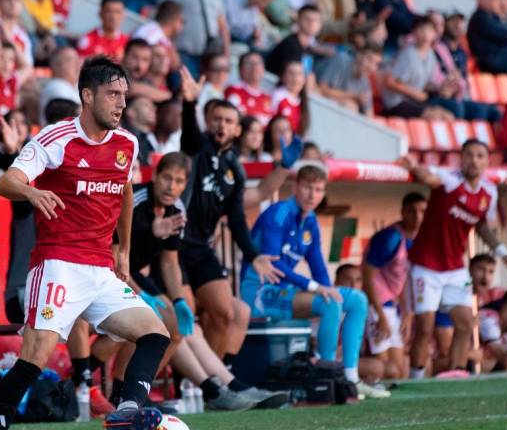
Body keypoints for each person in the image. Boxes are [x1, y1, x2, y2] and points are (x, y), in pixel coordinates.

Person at [0, 56, 171, 430]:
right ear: (87, 95)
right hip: (58, 263)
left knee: (156, 332)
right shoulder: (56, 139)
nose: (120, 104)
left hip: (99, 267)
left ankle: (129, 405)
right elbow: (6, 181)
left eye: (125, 96)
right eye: (113, 94)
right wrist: (33, 193)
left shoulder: (127, 144)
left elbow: (125, 192)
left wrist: (123, 249)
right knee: (35, 355)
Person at [125, 152, 263, 411]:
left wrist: (178, 300)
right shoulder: (134, 199)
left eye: (178, 181)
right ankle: (127, 394)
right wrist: (140, 292)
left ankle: (137, 394)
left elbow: (169, 262)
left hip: (134, 274)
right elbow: (113, 255)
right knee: (158, 326)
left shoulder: (177, 210)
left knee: (176, 326)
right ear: (154, 176)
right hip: (113, 273)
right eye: (166, 178)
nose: (171, 186)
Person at [241, 161, 382, 396]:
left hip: (286, 292)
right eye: (307, 187)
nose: (312, 195)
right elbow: (273, 262)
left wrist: (326, 287)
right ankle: (328, 378)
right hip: (259, 293)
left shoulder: (311, 221)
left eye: (318, 190)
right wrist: (316, 288)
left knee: (357, 299)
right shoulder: (279, 213)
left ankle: (350, 379)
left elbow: (317, 265)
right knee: (329, 302)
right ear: (296, 187)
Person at [174, 67, 282, 369]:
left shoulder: (236, 169)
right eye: (217, 119)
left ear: (238, 130)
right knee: (187, 314)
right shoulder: (197, 148)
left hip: (202, 250)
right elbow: (189, 135)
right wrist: (189, 103)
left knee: (225, 313)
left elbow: (236, 220)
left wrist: (254, 255)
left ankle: (216, 380)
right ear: (209, 123)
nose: (222, 125)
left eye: (229, 121)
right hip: (176, 247)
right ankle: (188, 386)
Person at [401, 141, 507, 378]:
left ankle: (455, 374)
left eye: (480, 156)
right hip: (426, 267)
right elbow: (429, 178)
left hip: (455, 269)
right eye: (469, 155)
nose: (474, 161)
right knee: (425, 328)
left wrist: (505, 255)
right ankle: (416, 377)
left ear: (488, 161)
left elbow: (481, 226)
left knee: (466, 322)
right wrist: (415, 167)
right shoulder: (449, 180)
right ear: (460, 159)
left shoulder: (490, 191)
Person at [362, 191, 426, 381]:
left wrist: (407, 312)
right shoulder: (390, 238)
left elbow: (406, 279)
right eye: (412, 211)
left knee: (398, 370)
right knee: (385, 369)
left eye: (422, 211)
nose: (417, 217)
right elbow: (367, 276)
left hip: (393, 306)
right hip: (378, 305)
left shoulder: (419, 240)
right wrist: (379, 314)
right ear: (402, 212)